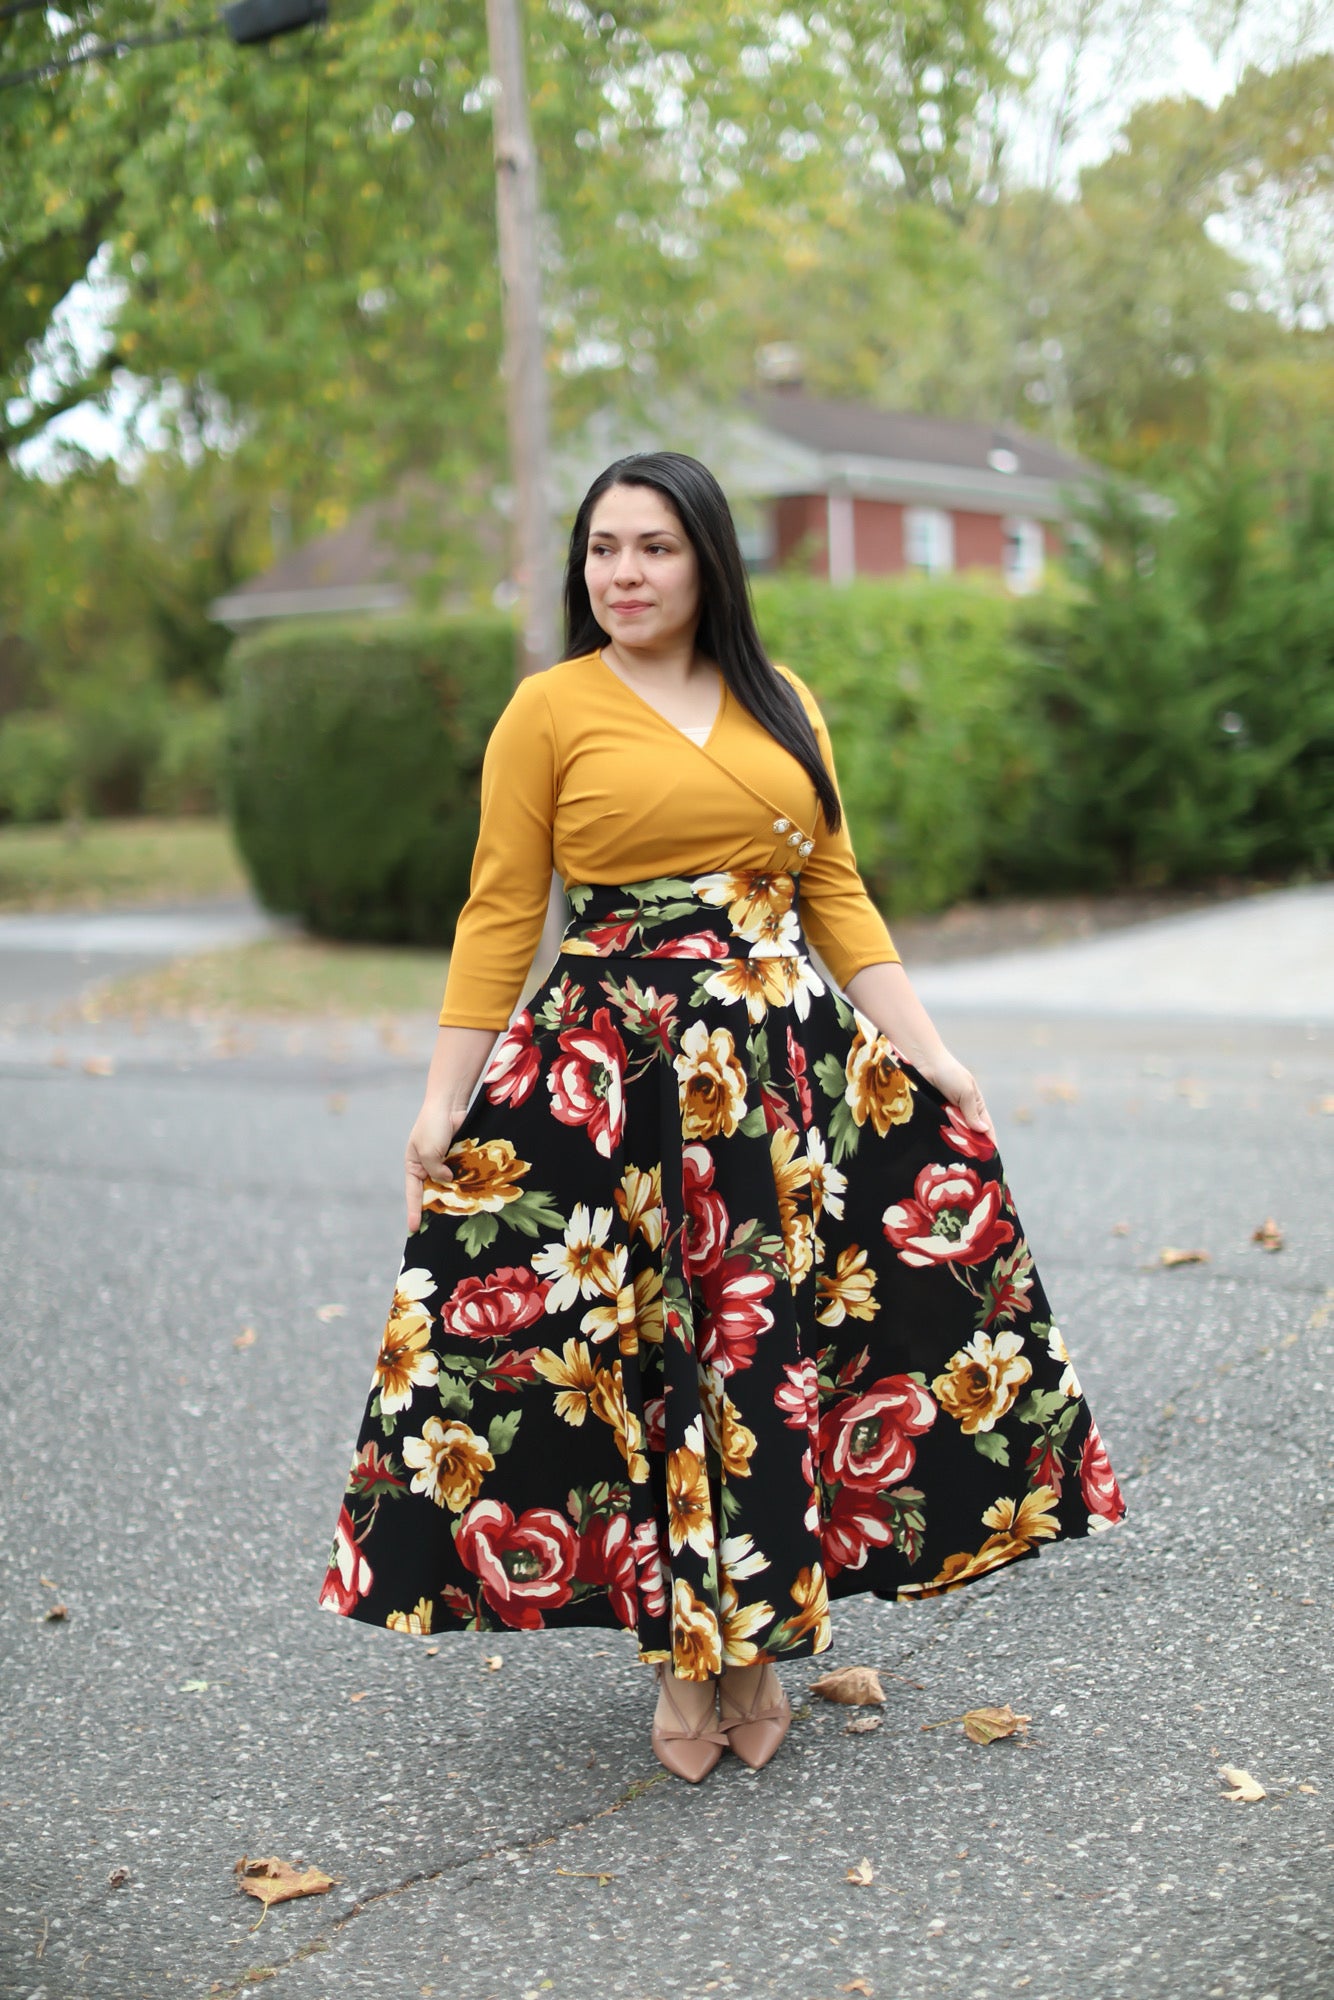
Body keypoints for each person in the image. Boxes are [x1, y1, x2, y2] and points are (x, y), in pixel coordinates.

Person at [320, 451, 1126, 1783]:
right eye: (602, 549)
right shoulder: (548, 709)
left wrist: (934, 1056)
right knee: (647, 1364)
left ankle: (751, 1647)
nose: (623, 573)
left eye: (653, 547)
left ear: (707, 561)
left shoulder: (782, 700)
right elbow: (502, 909)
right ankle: (683, 1657)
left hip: (778, 1080)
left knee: (764, 1362)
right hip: (613, 1082)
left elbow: (836, 894)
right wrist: (440, 1100)